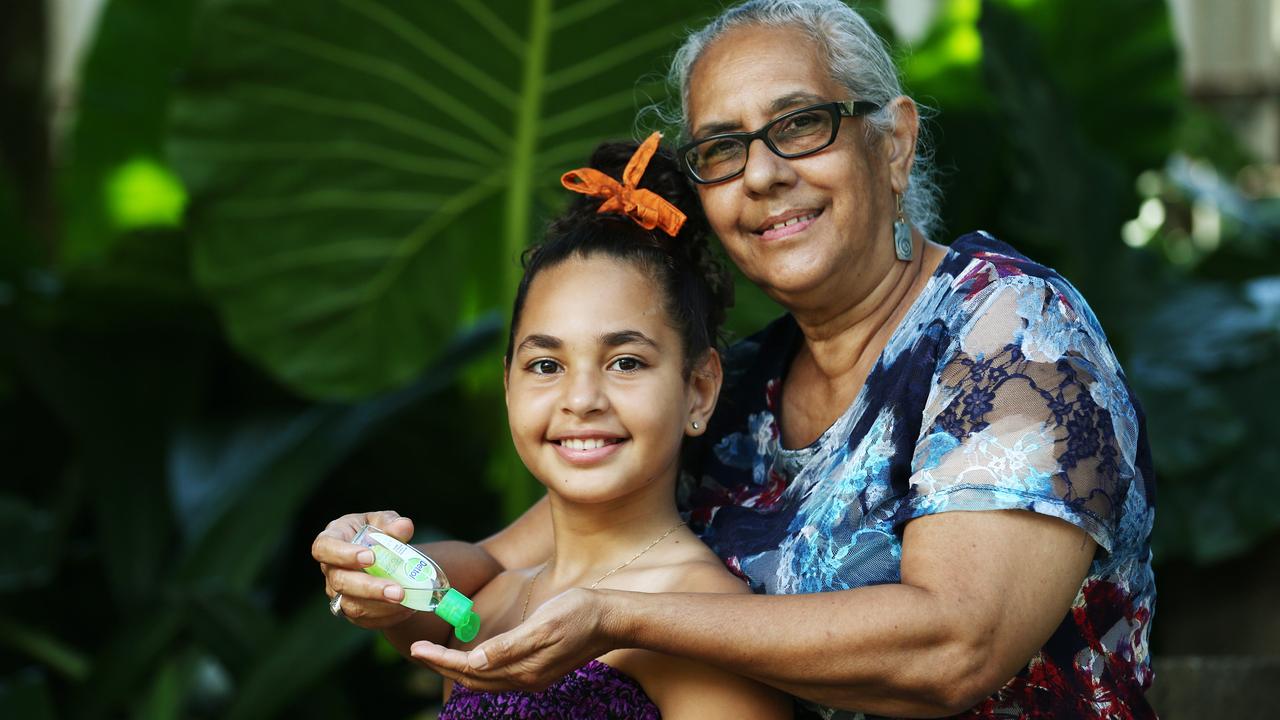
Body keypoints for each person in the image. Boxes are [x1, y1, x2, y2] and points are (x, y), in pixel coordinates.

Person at [313, 1, 1156, 717]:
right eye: (721, 148)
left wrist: (626, 617)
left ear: (893, 143)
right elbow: (503, 564)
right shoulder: (742, 384)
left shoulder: (1014, 334)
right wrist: (386, 571)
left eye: (799, 125)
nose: (761, 173)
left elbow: (958, 646)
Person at [320, 134, 792, 718]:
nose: (582, 398)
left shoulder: (700, 617)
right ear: (508, 386)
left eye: (625, 362)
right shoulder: (491, 603)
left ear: (698, 390)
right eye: (546, 365)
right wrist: (366, 566)